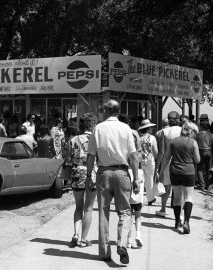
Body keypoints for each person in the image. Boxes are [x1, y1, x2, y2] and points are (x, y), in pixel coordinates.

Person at [86, 100, 140, 264]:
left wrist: (89, 175)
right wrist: (136, 178)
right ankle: (122, 243)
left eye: (103, 110)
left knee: (103, 212)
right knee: (125, 211)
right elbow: (133, 156)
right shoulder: (126, 128)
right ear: (117, 111)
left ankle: (104, 252)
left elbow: (90, 155)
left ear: (107, 111)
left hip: (103, 173)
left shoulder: (98, 128)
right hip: (122, 172)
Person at [159, 121, 200, 233]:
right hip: (188, 172)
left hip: (175, 171)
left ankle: (177, 221)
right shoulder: (193, 142)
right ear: (190, 131)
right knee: (189, 197)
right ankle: (186, 221)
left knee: (177, 197)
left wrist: (161, 171)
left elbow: (166, 157)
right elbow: (197, 160)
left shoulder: (173, 142)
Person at [68, 113, 98, 248]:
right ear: (93, 125)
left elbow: (68, 159)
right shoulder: (96, 139)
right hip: (92, 175)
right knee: (89, 208)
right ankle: (83, 239)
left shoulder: (73, 140)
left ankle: (75, 234)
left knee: (78, 206)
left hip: (76, 174)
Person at [155, 111, 182, 218]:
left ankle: (163, 209)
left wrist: (158, 168)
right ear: (178, 120)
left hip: (167, 161)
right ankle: (179, 214)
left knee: (166, 186)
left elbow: (162, 151)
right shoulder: (183, 131)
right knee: (178, 187)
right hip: (180, 161)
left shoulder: (164, 132)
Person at [138, 119, 158, 205]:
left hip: (140, 161)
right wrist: (155, 158)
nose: (152, 129)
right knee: (149, 180)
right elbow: (155, 151)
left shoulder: (138, 138)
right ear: (148, 129)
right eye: (150, 128)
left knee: (141, 180)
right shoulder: (152, 138)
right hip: (150, 160)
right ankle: (150, 198)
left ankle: (140, 199)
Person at [196, 121, 213, 190]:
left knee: (199, 168)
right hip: (209, 151)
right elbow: (211, 143)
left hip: (201, 150)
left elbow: (196, 143)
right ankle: (208, 185)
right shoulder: (212, 135)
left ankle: (202, 185)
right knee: (208, 169)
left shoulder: (198, 134)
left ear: (202, 126)